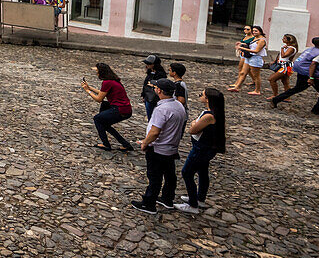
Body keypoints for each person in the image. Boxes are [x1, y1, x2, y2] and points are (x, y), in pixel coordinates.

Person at [130, 79, 187, 214]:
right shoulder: (179, 105)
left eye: (155, 87)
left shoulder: (162, 109)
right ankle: (167, 198)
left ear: (159, 90)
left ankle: (148, 203)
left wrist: (145, 143)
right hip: (171, 147)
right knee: (169, 175)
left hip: (159, 148)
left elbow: (155, 132)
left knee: (154, 177)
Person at [176, 88, 226, 214]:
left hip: (201, 149)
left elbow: (192, 130)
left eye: (202, 95)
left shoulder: (209, 116)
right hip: (206, 148)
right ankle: (200, 197)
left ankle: (193, 204)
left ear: (208, 99)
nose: (200, 96)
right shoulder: (213, 113)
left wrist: (194, 123)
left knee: (187, 172)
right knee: (203, 172)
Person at [80, 63, 133, 151]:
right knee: (105, 124)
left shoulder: (107, 82)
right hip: (125, 108)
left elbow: (99, 99)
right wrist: (89, 87)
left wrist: (87, 91)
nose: (97, 74)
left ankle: (106, 144)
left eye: (97, 72)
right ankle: (125, 144)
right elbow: (103, 92)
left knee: (97, 119)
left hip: (120, 109)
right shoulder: (113, 80)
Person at [271, 37, 319, 114]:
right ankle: (317, 109)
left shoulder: (310, 49)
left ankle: (276, 99)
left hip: (302, 72)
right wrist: (311, 78)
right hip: (314, 76)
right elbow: (313, 65)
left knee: (297, 88)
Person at [231, 24, 266, 95]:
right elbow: (250, 45)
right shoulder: (255, 38)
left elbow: (256, 51)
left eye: (256, 31)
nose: (254, 32)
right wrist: (241, 44)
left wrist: (242, 48)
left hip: (255, 58)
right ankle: (237, 87)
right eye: (253, 31)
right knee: (243, 72)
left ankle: (257, 90)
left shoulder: (261, 40)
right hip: (249, 57)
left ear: (260, 31)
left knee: (256, 75)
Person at [266, 34, 299, 99]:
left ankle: (275, 95)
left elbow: (284, 55)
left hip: (285, 67)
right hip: (282, 65)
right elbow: (280, 56)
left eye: (284, 38)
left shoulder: (291, 48)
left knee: (272, 79)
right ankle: (287, 97)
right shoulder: (287, 47)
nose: (282, 39)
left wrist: (282, 49)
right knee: (285, 82)